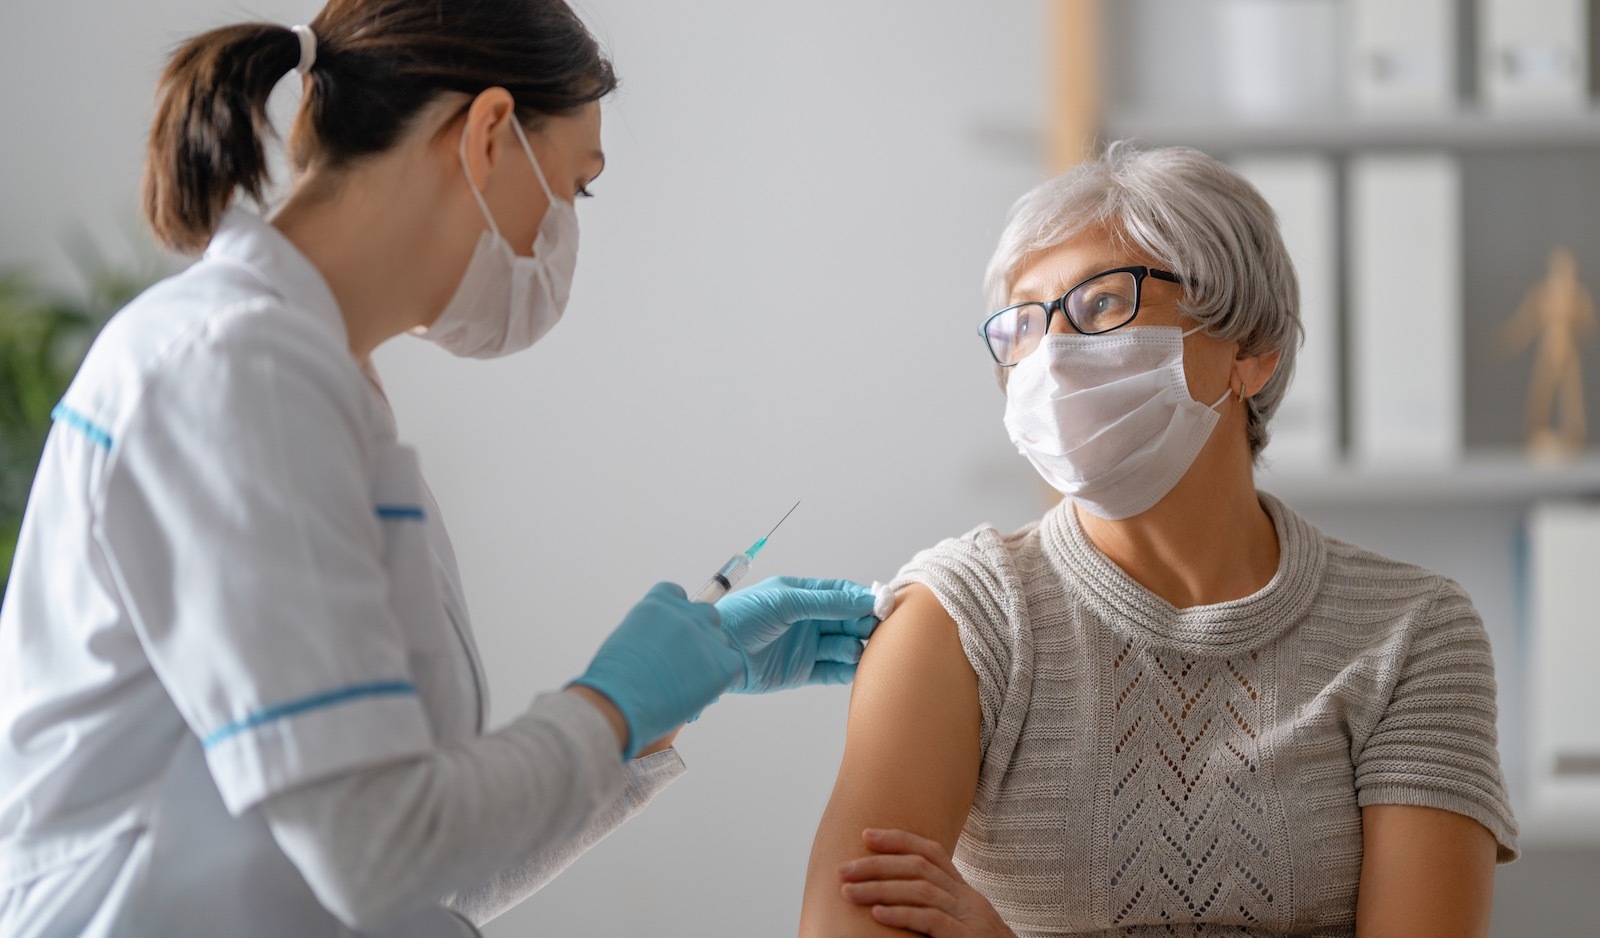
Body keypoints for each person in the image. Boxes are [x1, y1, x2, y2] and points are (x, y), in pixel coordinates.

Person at [0, 2, 879, 935]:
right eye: (578, 187)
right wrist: (612, 705)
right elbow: (374, 855)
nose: (566, 227)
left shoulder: (320, 392)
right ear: (490, 133)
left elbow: (422, 863)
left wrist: (654, 712)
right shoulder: (233, 371)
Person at [800, 144, 1518, 937]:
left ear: (1250, 352)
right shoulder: (962, 617)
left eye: (1101, 304)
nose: (1052, 357)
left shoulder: (1411, 633)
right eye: (1024, 323)